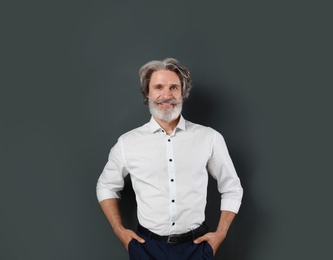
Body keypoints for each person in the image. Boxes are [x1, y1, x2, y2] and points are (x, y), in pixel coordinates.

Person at [96, 58, 243, 259]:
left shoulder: (209, 138)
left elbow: (232, 187)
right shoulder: (127, 143)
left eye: (174, 87)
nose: (166, 95)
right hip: (146, 248)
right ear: (147, 93)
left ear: (183, 92)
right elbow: (106, 186)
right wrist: (119, 231)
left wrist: (220, 235)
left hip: (196, 248)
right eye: (158, 87)